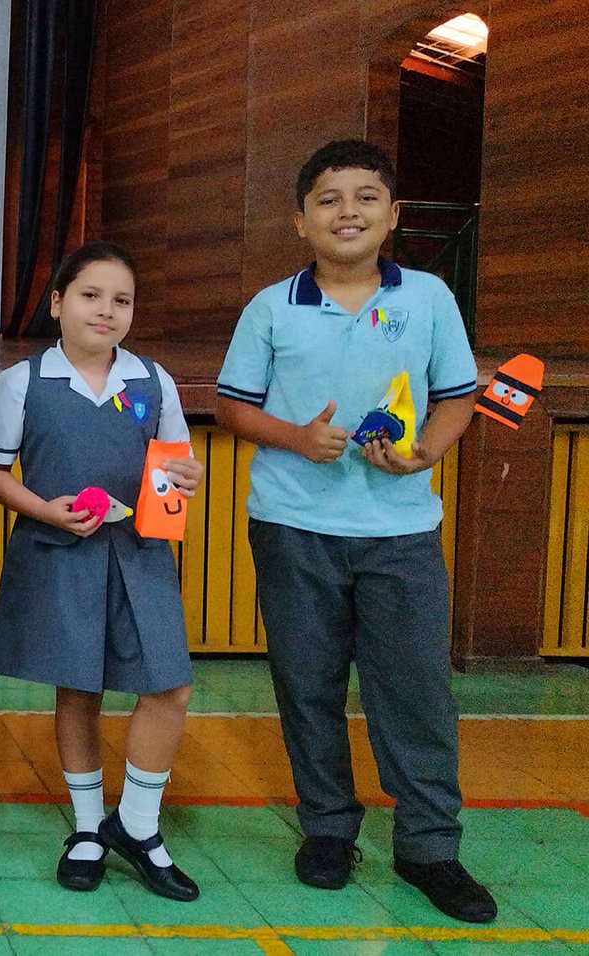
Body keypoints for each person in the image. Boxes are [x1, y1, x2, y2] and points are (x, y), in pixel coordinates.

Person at [215, 139, 495, 923]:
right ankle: (330, 831)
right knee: (307, 687)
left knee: (414, 691)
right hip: (292, 526)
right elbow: (234, 408)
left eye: (366, 197)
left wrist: (423, 454)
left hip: (401, 530)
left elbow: (456, 398)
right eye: (330, 199)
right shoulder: (270, 307)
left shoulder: (431, 298)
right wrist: (296, 438)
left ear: (393, 214)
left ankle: (430, 848)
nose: (349, 212)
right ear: (300, 220)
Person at [0, 241, 204, 902]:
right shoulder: (24, 381)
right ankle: (86, 829)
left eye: (121, 299)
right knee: (78, 689)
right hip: (59, 552)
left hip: (140, 554)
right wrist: (44, 511)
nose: (106, 310)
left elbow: (176, 467)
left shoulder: (153, 380)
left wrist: (184, 478)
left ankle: (136, 825)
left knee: (170, 687)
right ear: (57, 303)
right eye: (90, 295)